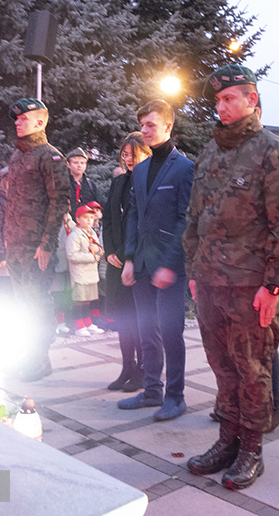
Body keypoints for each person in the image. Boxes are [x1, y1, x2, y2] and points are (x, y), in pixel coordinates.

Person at [184, 64, 279, 490]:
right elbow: (195, 218)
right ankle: (227, 441)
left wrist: (272, 284)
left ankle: (252, 449)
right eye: (217, 100)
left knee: (252, 368)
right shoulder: (211, 152)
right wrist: (193, 270)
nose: (221, 106)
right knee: (222, 367)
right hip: (210, 282)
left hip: (250, 285)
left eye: (229, 98)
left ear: (252, 99)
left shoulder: (274, 152)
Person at [118, 99, 194, 421]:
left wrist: (169, 264)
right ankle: (151, 391)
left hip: (170, 268)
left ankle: (175, 397)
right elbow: (135, 214)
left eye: (151, 125)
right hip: (143, 266)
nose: (145, 131)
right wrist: (130, 258)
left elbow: (186, 219)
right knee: (146, 330)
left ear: (167, 126)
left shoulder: (184, 168)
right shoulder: (142, 169)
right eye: (142, 125)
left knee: (170, 333)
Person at [5, 98, 72, 381]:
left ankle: (40, 360)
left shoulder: (51, 157)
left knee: (37, 305)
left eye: (24, 118)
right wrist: (7, 239)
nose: (18, 122)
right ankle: (27, 356)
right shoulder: (16, 157)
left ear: (40, 121)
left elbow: (60, 202)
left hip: (36, 247)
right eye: (16, 119)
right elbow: (12, 202)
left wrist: (47, 245)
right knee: (22, 305)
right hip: (16, 245)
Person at [104, 132, 151, 391]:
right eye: (125, 153)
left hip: (137, 261)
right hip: (116, 262)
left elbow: (143, 224)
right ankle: (127, 368)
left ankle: (144, 371)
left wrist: (124, 254)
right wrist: (109, 249)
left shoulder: (149, 181)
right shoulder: (119, 182)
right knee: (124, 319)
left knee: (140, 317)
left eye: (133, 153)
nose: (128, 158)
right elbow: (109, 217)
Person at [67, 203, 105, 336]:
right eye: (85, 217)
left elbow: (99, 249)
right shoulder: (75, 235)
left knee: (88, 299)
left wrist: (98, 251)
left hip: (91, 273)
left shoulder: (92, 233)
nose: (89, 220)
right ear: (78, 219)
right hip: (80, 274)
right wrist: (92, 256)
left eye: (91, 217)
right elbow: (72, 255)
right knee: (80, 300)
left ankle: (88, 323)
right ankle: (79, 325)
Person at [66, 147, 97, 218]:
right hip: (66, 224)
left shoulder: (90, 185)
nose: (79, 165)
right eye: (75, 163)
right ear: (69, 165)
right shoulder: (62, 183)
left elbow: (94, 206)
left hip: (85, 224)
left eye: (82, 163)